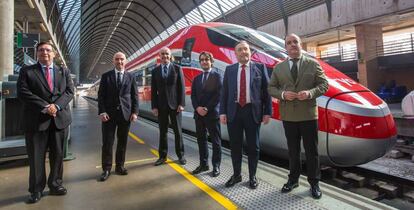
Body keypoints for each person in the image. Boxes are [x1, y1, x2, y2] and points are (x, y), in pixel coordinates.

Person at [268, 34, 328, 199]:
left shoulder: (312, 64)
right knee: (293, 150)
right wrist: (282, 94)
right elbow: (271, 88)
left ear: (301, 45)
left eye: (295, 42)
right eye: (289, 43)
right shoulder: (279, 68)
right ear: (285, 47)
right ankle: (293, 180)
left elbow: (324, 84)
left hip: (309, 115)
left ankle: (314, 183)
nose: (292, 45)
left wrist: (310, 93)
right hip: (289, 116)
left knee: (312, 151)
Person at [17, 41, 74, 203]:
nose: (45, 53)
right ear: (37, 54)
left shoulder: (63, 71)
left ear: (54, 54)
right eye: (41, 50)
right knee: (36, 157)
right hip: (36, 121)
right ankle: (36, 189)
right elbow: (23, 92)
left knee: (57, 156)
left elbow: (70, 91)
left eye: (48, 50)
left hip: (59, 121)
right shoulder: (27, 71)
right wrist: (45, 106)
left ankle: (55, 184)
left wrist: (56, 106)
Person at [220, 41, 272, 189]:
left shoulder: (260, 68)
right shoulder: (229, 69)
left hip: (252, 112)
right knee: (235, 146)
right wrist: (222, 112)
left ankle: (252, 176)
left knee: (253, 147)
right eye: (240, 50)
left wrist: (267, 112)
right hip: (234, 112)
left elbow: (266, 92)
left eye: (246, 49)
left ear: (250, 52)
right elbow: (225, 93)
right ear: (235, 54)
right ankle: (237, 175)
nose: (244, 52)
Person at [97, 52, 139, 181]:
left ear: (125, 61)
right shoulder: (106, 76)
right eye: (117, 59)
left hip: (125, 115)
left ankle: (120, 166)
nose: (119, 62)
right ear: (113, 61)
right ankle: (106, 169)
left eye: (122, 59)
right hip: (108, 115)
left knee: (122, 142)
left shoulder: (130, 77)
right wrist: (102, 112)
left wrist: (135, 112)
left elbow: (134, 96)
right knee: (107, 143)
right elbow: (101, 96)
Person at [151, 47, 186, 166]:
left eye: (166, 54)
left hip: (175, 106)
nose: (164, 56)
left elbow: (181, 87)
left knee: (178, 132)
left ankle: (181, 155)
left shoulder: (177, 68)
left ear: (170, 55)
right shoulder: (155, 71)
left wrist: (181, 104)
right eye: (162, 54)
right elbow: (153, 91)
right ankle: (162, 156)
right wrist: (154, 107)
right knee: (163, 132)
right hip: (161, 106)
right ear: (159, 56)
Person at [190, 52, 222, 177]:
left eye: (206, 59)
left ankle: (216, 166)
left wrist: (206, 108)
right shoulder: (197, 79)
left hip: (212, 114)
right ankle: (204, 164)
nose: (204, 62)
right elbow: (193, 96)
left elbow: (218, 95)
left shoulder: (217, 76)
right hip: (199, 115)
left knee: (216, 141)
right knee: (201, 140)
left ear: (211, 61)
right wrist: (197, 108)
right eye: (202, 60)